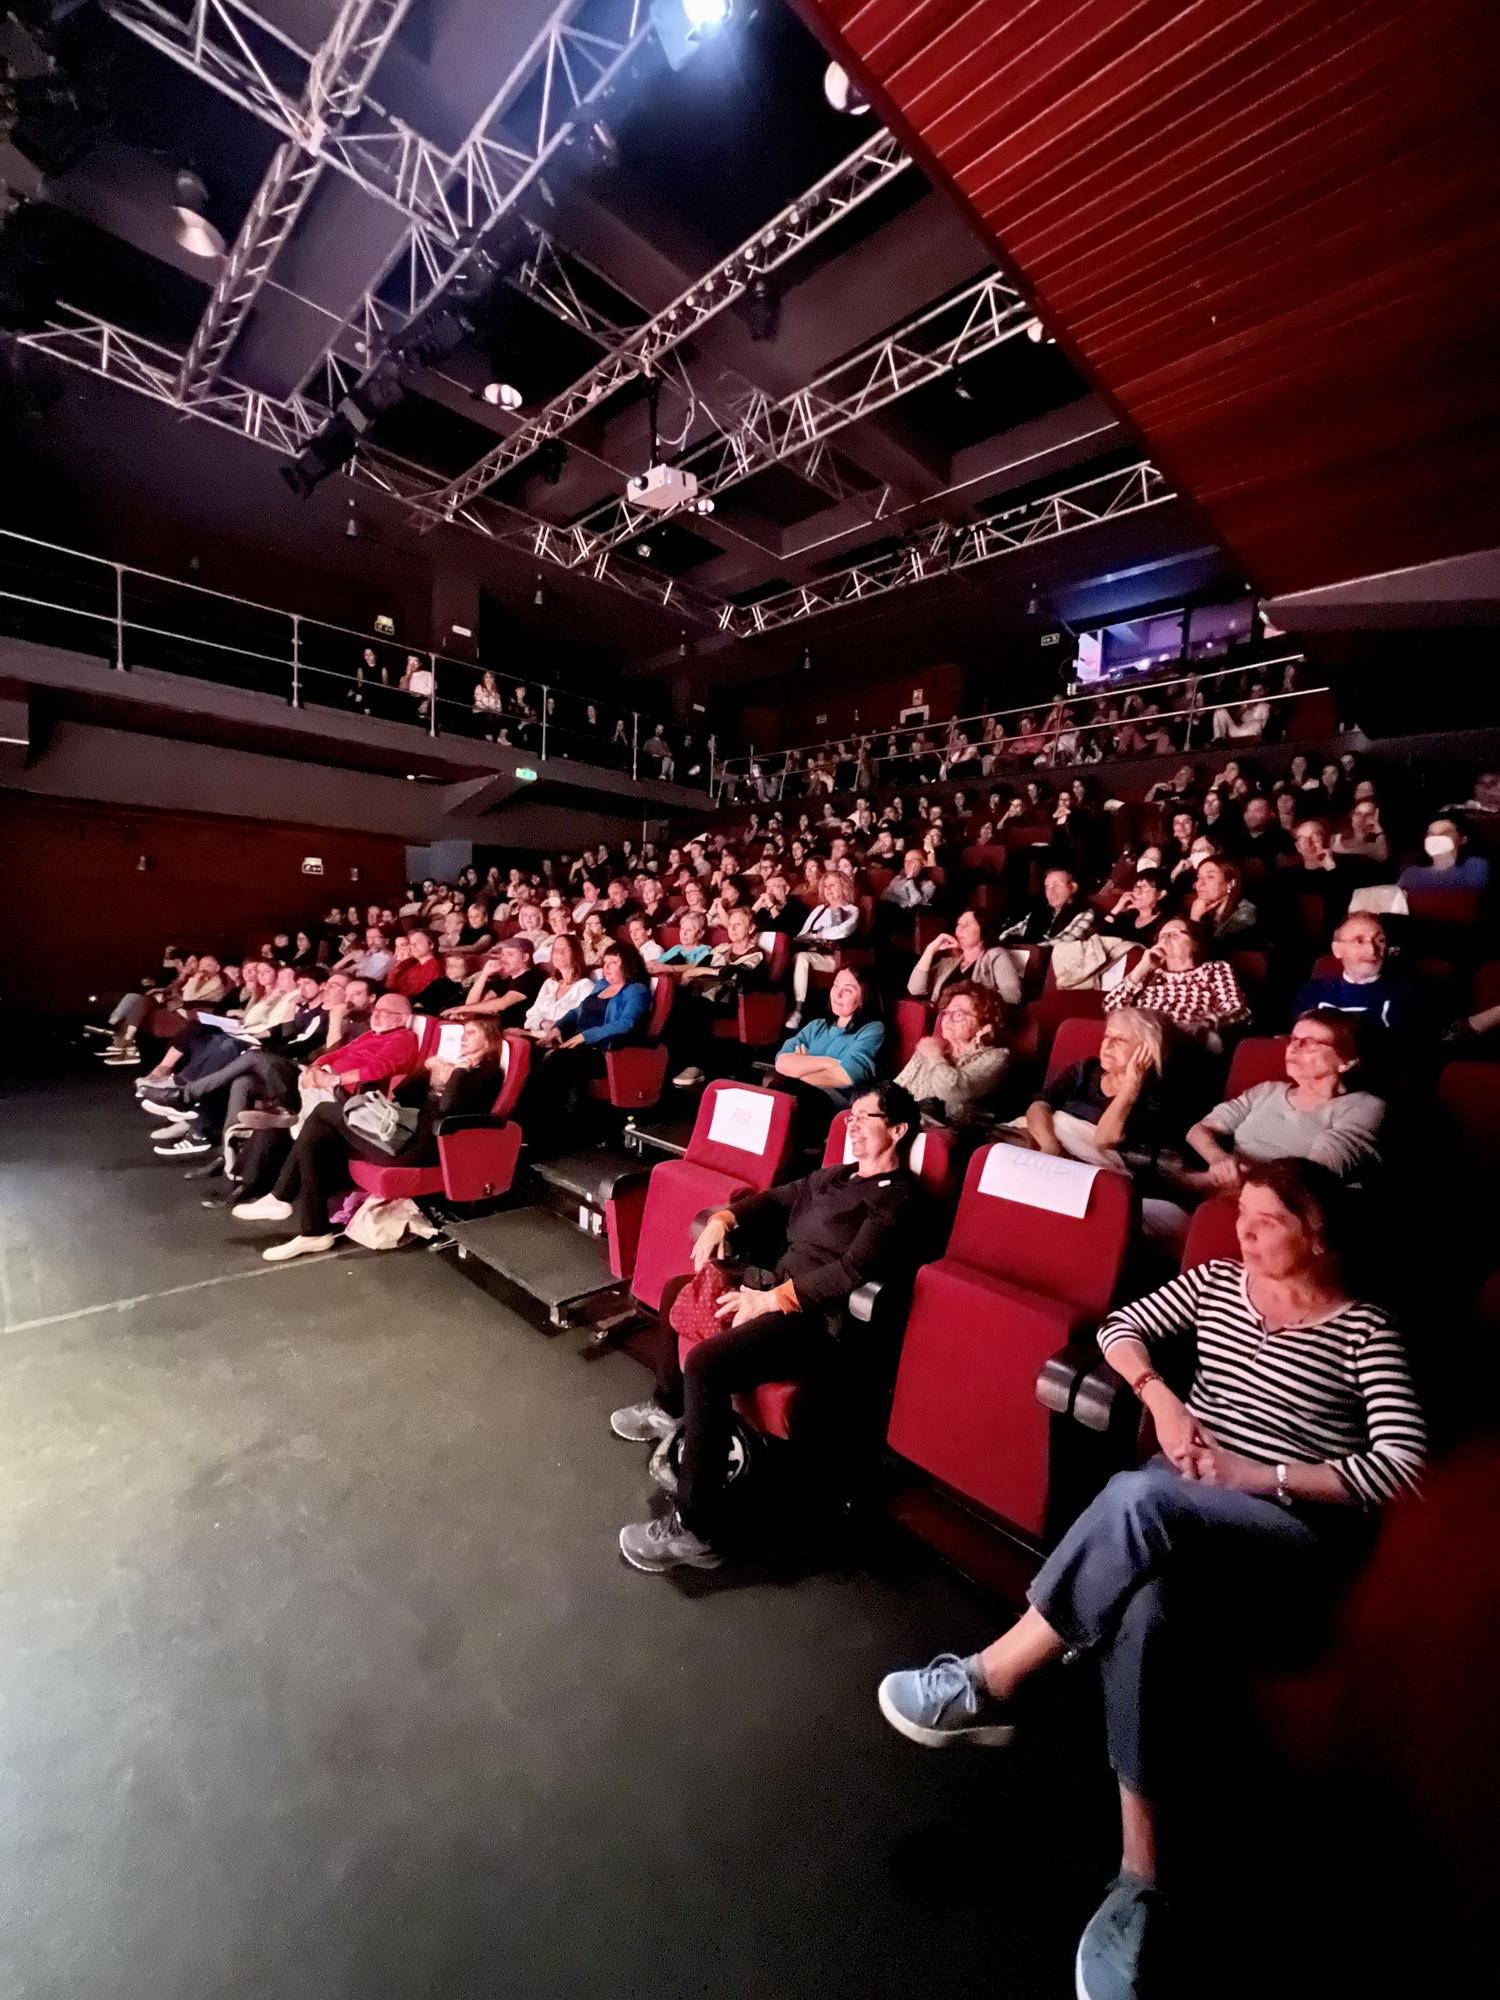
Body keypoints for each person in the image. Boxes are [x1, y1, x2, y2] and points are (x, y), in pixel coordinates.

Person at [876, 1161, 1424, 2000]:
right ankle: (1141, 1879)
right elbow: (1120, 1328)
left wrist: (1258, 1476)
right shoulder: (1215, 1282)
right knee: (1149, 1605)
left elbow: (1399, 1466)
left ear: (1315, 1234)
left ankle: (993, 1679)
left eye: (1266, 1221)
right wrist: (1161, 1397)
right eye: (1241, 1215)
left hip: (1283, 1533)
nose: (1242, 1233)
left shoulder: (1364, 1330)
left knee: (1137, 1499)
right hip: (1182, 1508)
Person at [612, 1080, 924, 1574]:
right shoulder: (833, 1176)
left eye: (867, 1117)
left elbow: (851, 1272)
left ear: (899, 1129)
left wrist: (770, 1302)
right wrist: (725, 1220)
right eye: (853, 1116)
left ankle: (697, 1528)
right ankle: (668, 1411)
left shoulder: (900, 1197)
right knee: (676, 1290)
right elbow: (776, 1200)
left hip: (819, 1318)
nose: (854, 1124)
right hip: (772, 1287)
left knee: (707, 1364)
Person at [234, 1017, 507, 1262]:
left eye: (470, 1032)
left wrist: (457, 1071)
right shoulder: (450, 1066)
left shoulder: (488, 1072)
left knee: (323, 1113)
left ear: (489, 1039)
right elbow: (402, 1095)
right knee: (316, 1138)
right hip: (402, 1132)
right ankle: (312, 1230)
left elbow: (448, 1110)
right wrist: (427, 1068)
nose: (462, 1037)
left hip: (419, 1147)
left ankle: (283, 1199)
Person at [1178, 1010, 1386, 1192]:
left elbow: (1310, 1176)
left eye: (1309, 1043)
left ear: (1347, 1061)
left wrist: (1201, 1182)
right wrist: (1219, 1159)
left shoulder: (1364, 1107)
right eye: (1293, 1039)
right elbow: (1198, 1130)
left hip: (1290, 1212)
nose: (1294, 1048)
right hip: (1222, 1192)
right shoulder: (1267, 1090)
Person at [1014, 1007, 1174, 1167]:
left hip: (1081, 1162)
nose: (1108, 1044)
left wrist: (1130, 1087)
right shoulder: (1086, 1068)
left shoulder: (1153, 1096)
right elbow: (1038, 1106)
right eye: (1107, 1036)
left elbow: (1103, 1140)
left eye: (1120, 1040)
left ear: (1148, 1050)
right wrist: (1049, 1145)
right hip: (1037, 1139)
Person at [773, 967, 885, 1140]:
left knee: (793, 1095)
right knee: (775, 1091)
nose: (837, 994)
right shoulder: (816, 1026)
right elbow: (781, 1062)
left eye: (847, 990)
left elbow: (844, 1076)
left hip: (836, 1101)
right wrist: (829, 1062)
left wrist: (801, 1066)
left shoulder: (872, 1029)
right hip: (801, 1092)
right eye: (835, 986)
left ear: (864, 998)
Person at [1106, 916, 1251, 1047]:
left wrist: (1207, 1024)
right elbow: (1111, 1008)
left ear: (1195, 944)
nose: (1165, 939)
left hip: (1185, 1039)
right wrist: (1140, 969)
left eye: (1174, 934)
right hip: (1141, 1037)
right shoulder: (1149, 974)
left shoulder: (1214, 970)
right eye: (1162, 936)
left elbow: (1239, 1010)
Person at [896, 982, 1009, 1126]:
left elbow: (953, 1091)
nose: (947, 1019)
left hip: (950, 1136)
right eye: (945, 1013)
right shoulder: (935, 1047)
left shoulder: (997, 1057)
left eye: (958, 1014)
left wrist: (935, 1057)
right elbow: (898, 1087)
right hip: (904, 1125)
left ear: (985, 1027)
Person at [1291, 914, 1414, 1046]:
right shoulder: (1312, 991)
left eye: (1380, 940)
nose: (1372, 949)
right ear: (1337, 949)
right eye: (1359, 941)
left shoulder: (1405, 995)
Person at [785, 868, 861, 1030]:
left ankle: (798, 1010)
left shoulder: (851, 910)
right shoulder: (820, 910)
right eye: (825, 886)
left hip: (837, 958)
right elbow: (802, 934)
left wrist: (816, 935)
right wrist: (811, 937)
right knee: (791, 956)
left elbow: (843, 931)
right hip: (813, 952)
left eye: (832, 885)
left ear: (844, 886)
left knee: (801, 958)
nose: (828, 889)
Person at [907, 908, 1023, 1008]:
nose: (959, 929)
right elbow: (915, 989)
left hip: (973, 1022)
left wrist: (972, 1003)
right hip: (941, 1021)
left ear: (983, 930)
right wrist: (930, 949)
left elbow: (1013, 996)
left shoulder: (996, 955)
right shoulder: (948, 963)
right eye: (958, 924)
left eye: (966, 925)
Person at [997, 866, 1096, 946]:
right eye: (1047, 887)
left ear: (1073, 888)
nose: (1051, 891)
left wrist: (1031, 948)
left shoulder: (1085, 912)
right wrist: (1007, 940)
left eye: (1057, 885)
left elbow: (1065, 940)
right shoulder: (1039, 912)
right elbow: (1015, 930)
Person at [520, 935, 593, 1037]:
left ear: (575, 954)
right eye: (555, 949)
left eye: (563, 949)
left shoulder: (586, 986)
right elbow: (530, 1017)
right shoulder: (549, 984)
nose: (558, 953)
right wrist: (543, 1023)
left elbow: (581, 1023)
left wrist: (557, 1027)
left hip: (564, 1042)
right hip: (536, 1037)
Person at [1397, 817, 1490, 894]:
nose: (1436, 837)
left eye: (1445, 833)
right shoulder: (1411, 873)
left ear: (1463, 839)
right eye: (1431, 833)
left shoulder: (1475, 866)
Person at [1186, 856, 1258, 943]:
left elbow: (1215, 951)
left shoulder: (1245, 914)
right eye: (1198, 877)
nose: (1200, 884)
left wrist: (1194, 919)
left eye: (1210, 877)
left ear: (1230, 883)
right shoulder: (1201, 910)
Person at [1101, 869, 1169, 945]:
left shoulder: (1165, 924)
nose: (1137, 891)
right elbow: (1101, 938)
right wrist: (1117, 908)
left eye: (1144, 887)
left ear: (1160, 894)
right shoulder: (1127, 916)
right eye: (1136, 886)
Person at [386, 928, 442, 999]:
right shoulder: (411, 966)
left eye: (418, 942)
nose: (413, 946)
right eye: (411, 943)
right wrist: (402, 963)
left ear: (431, 945)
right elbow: (390, 986)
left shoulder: (435, 966)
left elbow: (422, 995)